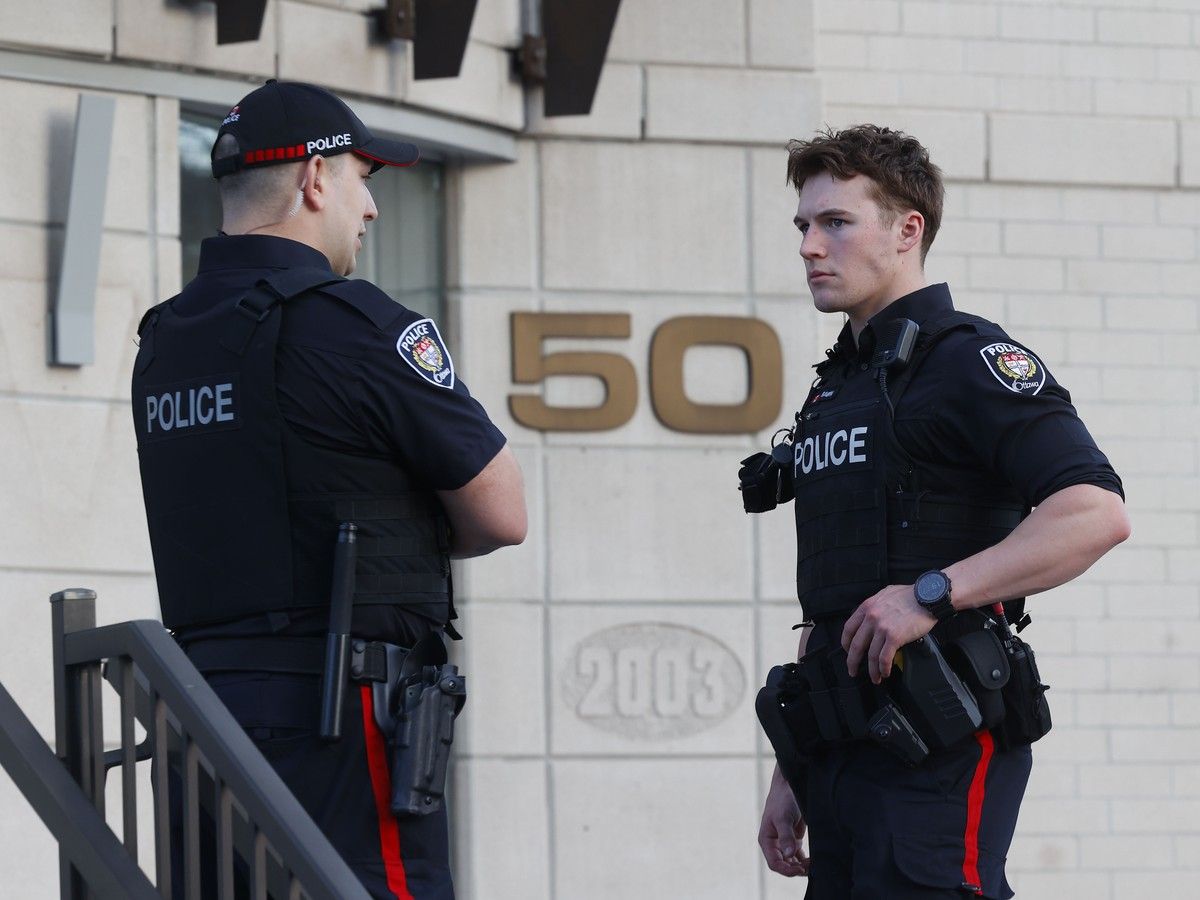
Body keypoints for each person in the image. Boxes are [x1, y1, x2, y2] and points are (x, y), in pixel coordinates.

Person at [130, 80, 526, 900]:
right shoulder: (355, 323)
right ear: (315, 180)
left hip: (199, 714)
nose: (372, 209)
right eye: (362, 178)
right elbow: (501, 512)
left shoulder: (163, 343)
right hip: (339, 716)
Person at [752, 125, 1130, 898]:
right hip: (838, 745)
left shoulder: (966, 360)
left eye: (836, 223)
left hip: (935, 742)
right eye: (802, 226)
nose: (809, 247)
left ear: (906, 230)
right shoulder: (839, 385)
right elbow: (836, 587)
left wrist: (932, 593)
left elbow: (1094, 512)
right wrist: (793, 766)